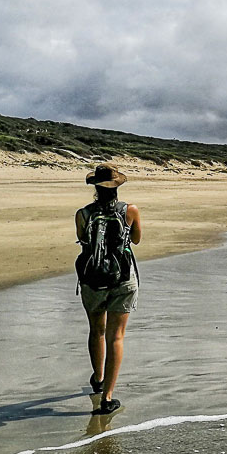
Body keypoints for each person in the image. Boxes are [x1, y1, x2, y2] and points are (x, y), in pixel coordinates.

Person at [76, 163, 142, 416]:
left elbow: (83, 241)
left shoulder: (82, 214)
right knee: (116, 336)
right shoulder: (130, 210)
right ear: (117, 187)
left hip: (92, 278)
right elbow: (135, 240)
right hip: (122, 277)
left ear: (94, 187)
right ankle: (108, 398)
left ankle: (98, 377)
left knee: (97, 330)